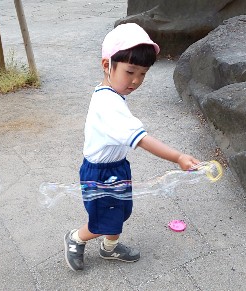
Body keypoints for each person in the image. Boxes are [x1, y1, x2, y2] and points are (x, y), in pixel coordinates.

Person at [64, 23, 200, 271]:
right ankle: (76, 238)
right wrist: (178, 156)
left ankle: (109, 247)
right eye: (130, 72)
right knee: (102, 220)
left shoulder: (111, 92)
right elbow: (143, 140)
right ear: (107, 65)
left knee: (121, 211)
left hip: (117, 167)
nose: (136, 81)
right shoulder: (108, 104)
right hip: (100, 174)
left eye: (143, 74)